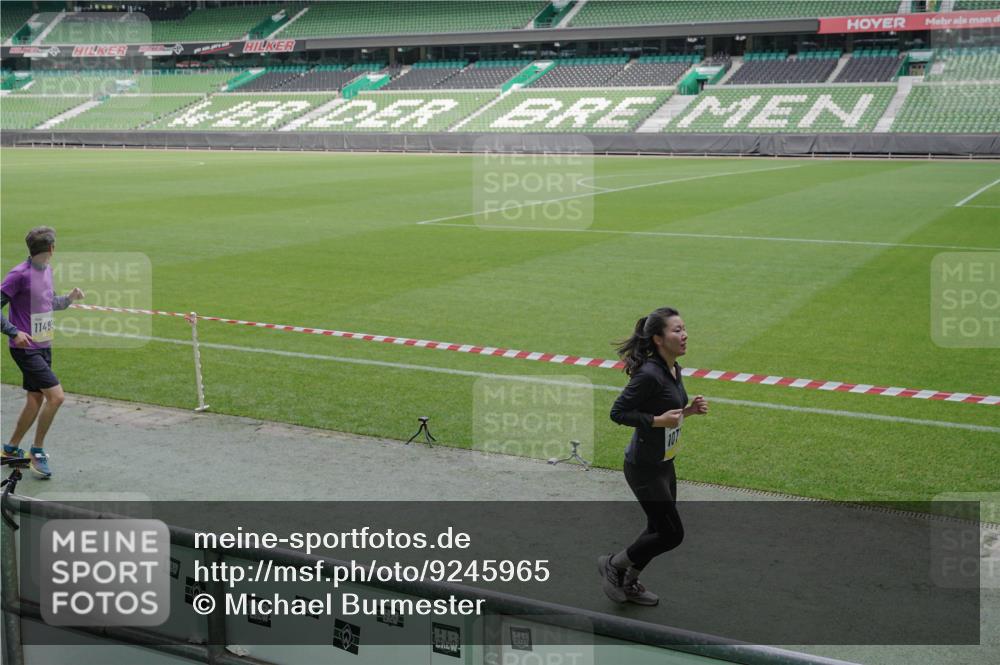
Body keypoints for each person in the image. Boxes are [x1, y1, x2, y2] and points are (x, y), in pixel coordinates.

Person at [599, 307, 708, 606]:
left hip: (664, 463)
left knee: (657, 528)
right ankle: (613, 564)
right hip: (643, 467)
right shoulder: (648, 374)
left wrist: (688, 411)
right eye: (676, 330)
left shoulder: (674, 369)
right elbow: (618, 413)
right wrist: (659, 421)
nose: (684, 335)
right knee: (672, 534)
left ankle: (629, 582)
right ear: (658, 338)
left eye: (684, 328)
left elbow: (666, 413)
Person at [1, 226, 85, 479]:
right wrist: (14, 331)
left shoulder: (46, 270)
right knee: (56, 397)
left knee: (35, 400)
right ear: (51, 248)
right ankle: (36, 451)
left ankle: (9, 450)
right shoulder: (19, 275)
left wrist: (68, 299)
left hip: (44, 345)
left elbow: (47, 304)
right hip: (26, 349)